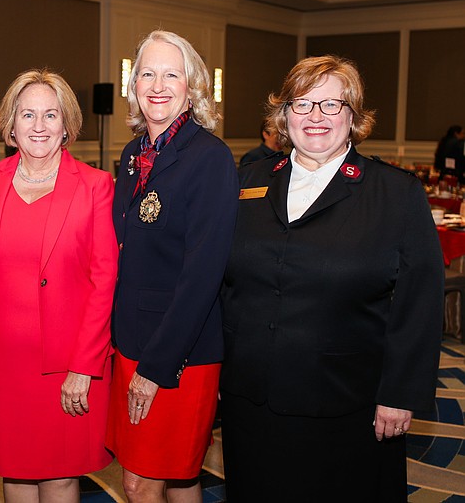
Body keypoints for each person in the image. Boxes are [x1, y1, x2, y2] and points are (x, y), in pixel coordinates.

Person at [220, 55, 443, 501]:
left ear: (353, 116)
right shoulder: (245, 182)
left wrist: (399, 392)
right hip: (252, 399)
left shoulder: (394, 193)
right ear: (284, 115)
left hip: (347, 404)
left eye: (330, 105)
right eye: (302, 104)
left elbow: (420, 301)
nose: (315, 117)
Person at [0, 70, 118, 502]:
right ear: (10, 126)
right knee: (13, 473)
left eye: (50, 115)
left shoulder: (94, 186)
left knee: (58, 475)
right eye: (28, 115)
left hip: (65, 366)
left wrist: (84, 366)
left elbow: (104, 280)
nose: (39, 126)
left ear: (67, 125)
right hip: (1, 364)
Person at [107, 30, 238, 502]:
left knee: (142, 480)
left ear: (193, 86)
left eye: (171, 74)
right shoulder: (133, 154)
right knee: (178, 473)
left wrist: (157, 366)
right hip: (131, 341)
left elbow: (203, 276)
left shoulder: (210, 158)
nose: (157, 85)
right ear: (133, 84)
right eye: (147, 73)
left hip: (178, 352)